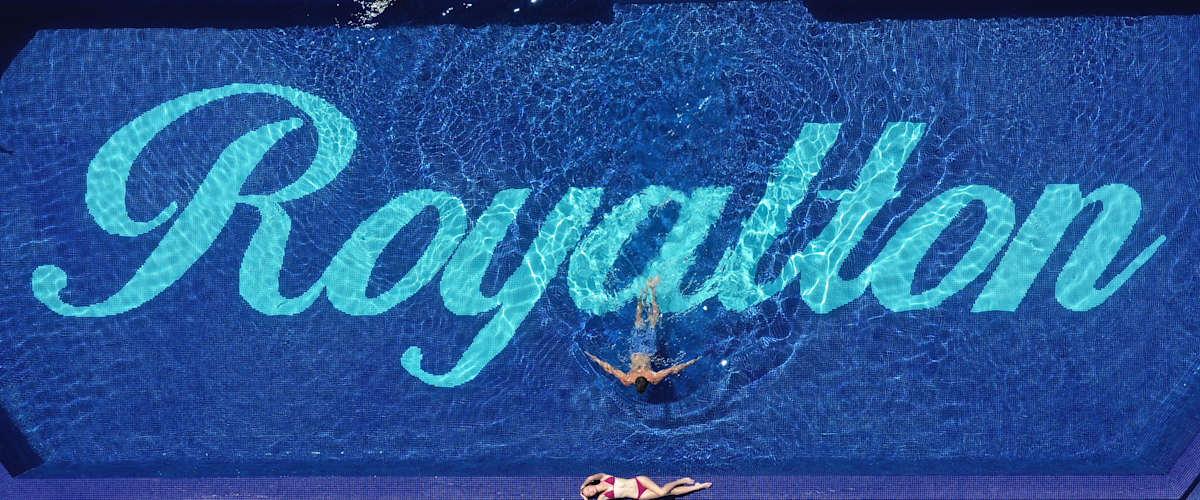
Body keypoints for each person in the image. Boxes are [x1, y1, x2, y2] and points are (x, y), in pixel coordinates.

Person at [585, 276, 700, 393]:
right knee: (638, 320)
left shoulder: (652, 377)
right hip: (635, 349)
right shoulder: (627, 379)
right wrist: (593, 357)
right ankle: (643, 292)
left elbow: (674, 369)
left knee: (653, 321)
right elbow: (609, 368)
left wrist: (693, 361)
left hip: (648, 350)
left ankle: (652, 290)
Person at [580, 473, 711, 499]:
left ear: (589, 485)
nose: (590, 491)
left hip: (639, 481)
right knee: (669, 493)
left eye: (588, 489)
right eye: (589, 494)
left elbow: (590, 477)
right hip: (639, 495)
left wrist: (583, 485)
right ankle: (698, 487)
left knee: (661, 492)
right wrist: (584, 498)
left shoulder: (603, 477)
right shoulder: (602, 497)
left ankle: (680, 480)